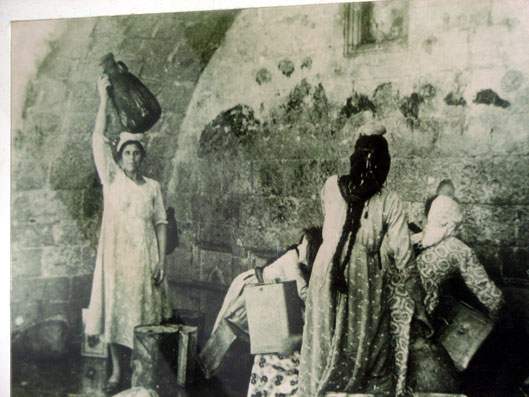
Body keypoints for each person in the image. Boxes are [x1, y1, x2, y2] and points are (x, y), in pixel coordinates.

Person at [298, 122, 417, 397]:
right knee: (365, 339)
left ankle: (318, 388)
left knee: (323, 335)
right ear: (384, 166)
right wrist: (417, 303)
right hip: (363, 275)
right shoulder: (390, 200)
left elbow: (332, 224)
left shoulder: (331, 186)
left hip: (326, 268)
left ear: (353, 158)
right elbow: (404, 256)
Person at [84, 75, 172, 393]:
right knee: (115, 314)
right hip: (117, 256)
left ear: (142, 156)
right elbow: (98, 137)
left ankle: (140, 371)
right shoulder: (112, 180)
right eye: (127, 154)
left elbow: (161, 222)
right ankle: (116, 372)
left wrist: (161, 260)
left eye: (137, 153)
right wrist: (103, 99)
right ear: (119, 158)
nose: (132, 159)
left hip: (145, 256)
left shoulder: (153, 188)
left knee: (141, 316)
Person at [198, 227, 323, 387]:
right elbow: (303, 291)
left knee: (250, 337)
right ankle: (206, 369)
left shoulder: (298, 260)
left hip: (268, 294)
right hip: (252, 289)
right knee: (229, 329)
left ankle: (229, 374)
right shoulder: (291, 259)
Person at [412, 179, 504, 319]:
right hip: (423, 310)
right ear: (454, 223)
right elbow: (480, 283)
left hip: (399, 302)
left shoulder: (417, 238)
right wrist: (499, 307)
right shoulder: (458, 248)